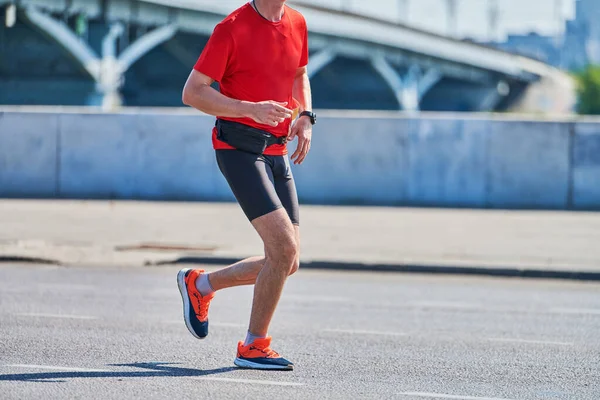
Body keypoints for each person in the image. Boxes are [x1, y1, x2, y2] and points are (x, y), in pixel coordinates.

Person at [178, 0, 316, 371]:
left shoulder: (297, 23)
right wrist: (251, 109)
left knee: (288, 260)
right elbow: (192, 92)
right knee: (283, 248)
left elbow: (299, 74)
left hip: (277, 151)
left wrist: (305, 115)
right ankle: (254, 346)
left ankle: (201, 285)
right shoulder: (232, 28)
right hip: (238, 149)